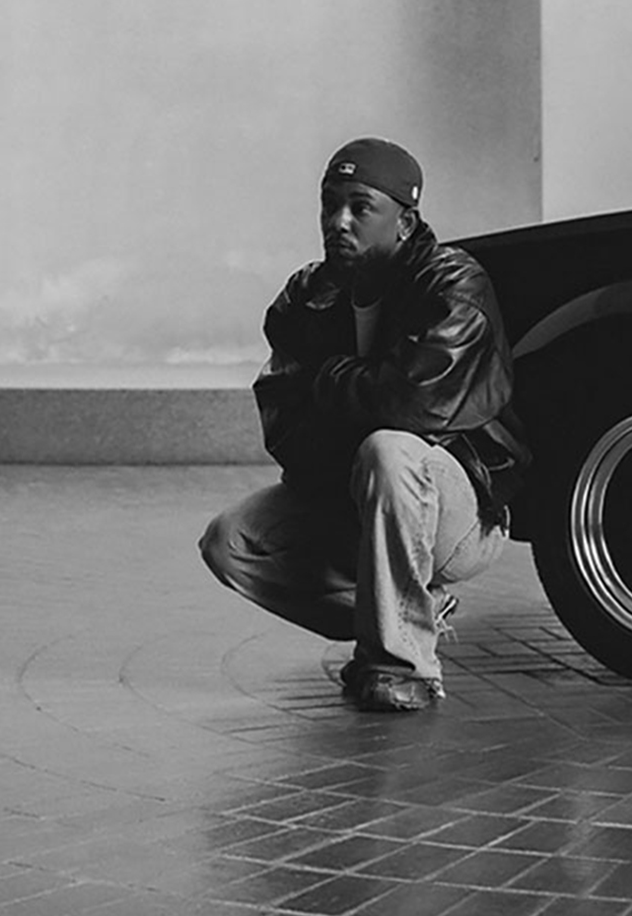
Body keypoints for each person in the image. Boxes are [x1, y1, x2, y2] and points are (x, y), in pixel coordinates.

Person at [199, 136, 529, 712]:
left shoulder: (453, 285)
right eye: (330, 204)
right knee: (232, 542)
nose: (338, 221)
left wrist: (330, 380)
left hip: (462, 511)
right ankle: (410, 612)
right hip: (358, 498)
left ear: (404, 223)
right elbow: (285, 424)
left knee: (389, 449)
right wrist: (359, 394)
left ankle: (402, 667)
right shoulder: (308, 297)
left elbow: (411, 406)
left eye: (359, 206)